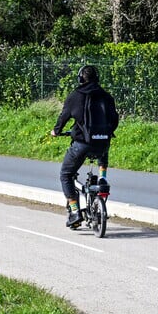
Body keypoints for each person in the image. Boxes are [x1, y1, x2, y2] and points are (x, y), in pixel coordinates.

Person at [51, 64, 120, 229]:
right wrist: (107, 131)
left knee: (66, 175)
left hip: (82, 144)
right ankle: (103, 178)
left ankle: (75, 211)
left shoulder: (75, 96)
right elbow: (114, 119)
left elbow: (63, 117)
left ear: (80, 79)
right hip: (103, 142)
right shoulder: (107, 96)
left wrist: (56, 131)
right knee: (103, 146)